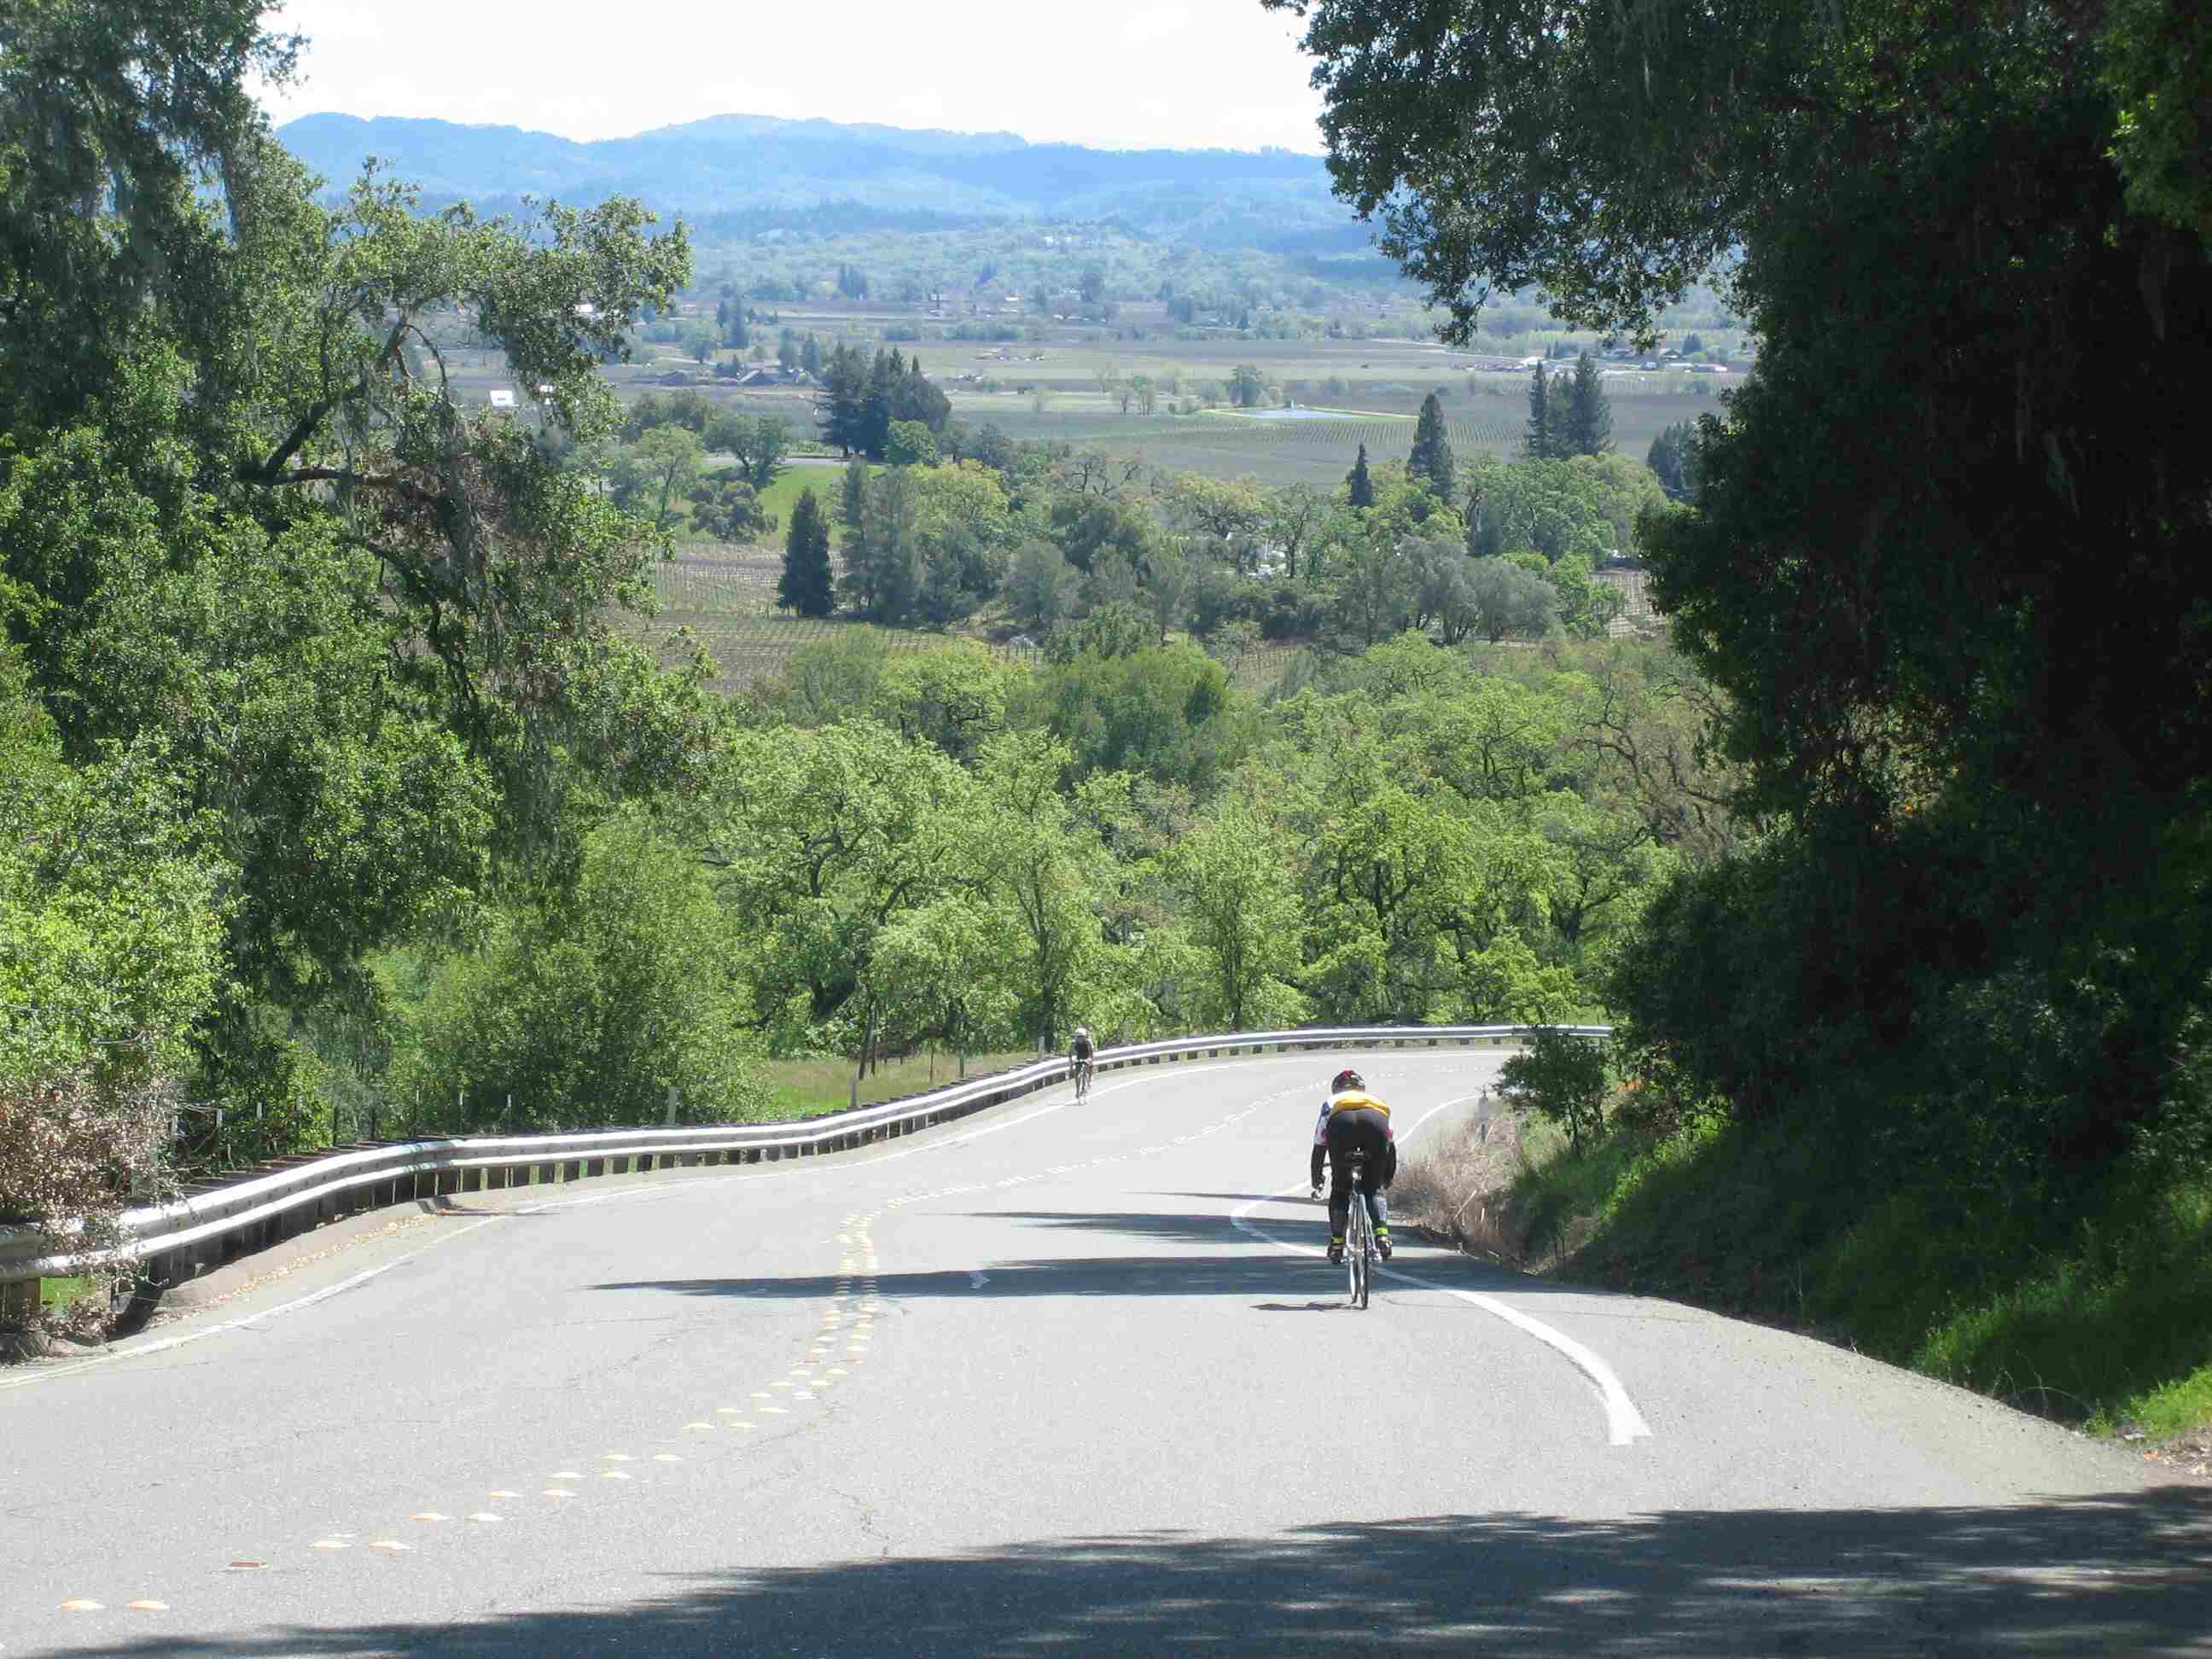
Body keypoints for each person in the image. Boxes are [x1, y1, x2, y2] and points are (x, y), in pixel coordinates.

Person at [1309, 1067, 1394, 1264]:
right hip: (1376, 1121)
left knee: (1340, 1190)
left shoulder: (1331, 1102)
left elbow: (1319, 1146)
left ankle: (1337, 1243)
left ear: (1336, 1089)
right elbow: (1391, 1146)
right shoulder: (1376, 1101)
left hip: (1341, 1123)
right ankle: (1382, 1235)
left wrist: (1317, 1180)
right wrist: (1386, 1179)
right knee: (1374, 1189)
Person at [1069, 1024, 1095, 1092]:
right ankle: (1077, 1089)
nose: (1080, 1039)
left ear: (1084, 1037)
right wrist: (1071, 1064)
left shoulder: (1088, 1042)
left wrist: (1090, 1060)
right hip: (1079, 1056)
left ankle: (1090, 1078)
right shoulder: (1073, 1043)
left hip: (1087, 1055)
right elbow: (1070, 1054)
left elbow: (1091, 1052)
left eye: (1082, 1037)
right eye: (1078, 1037)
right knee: (1076, 1072)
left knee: (1089, 1065)